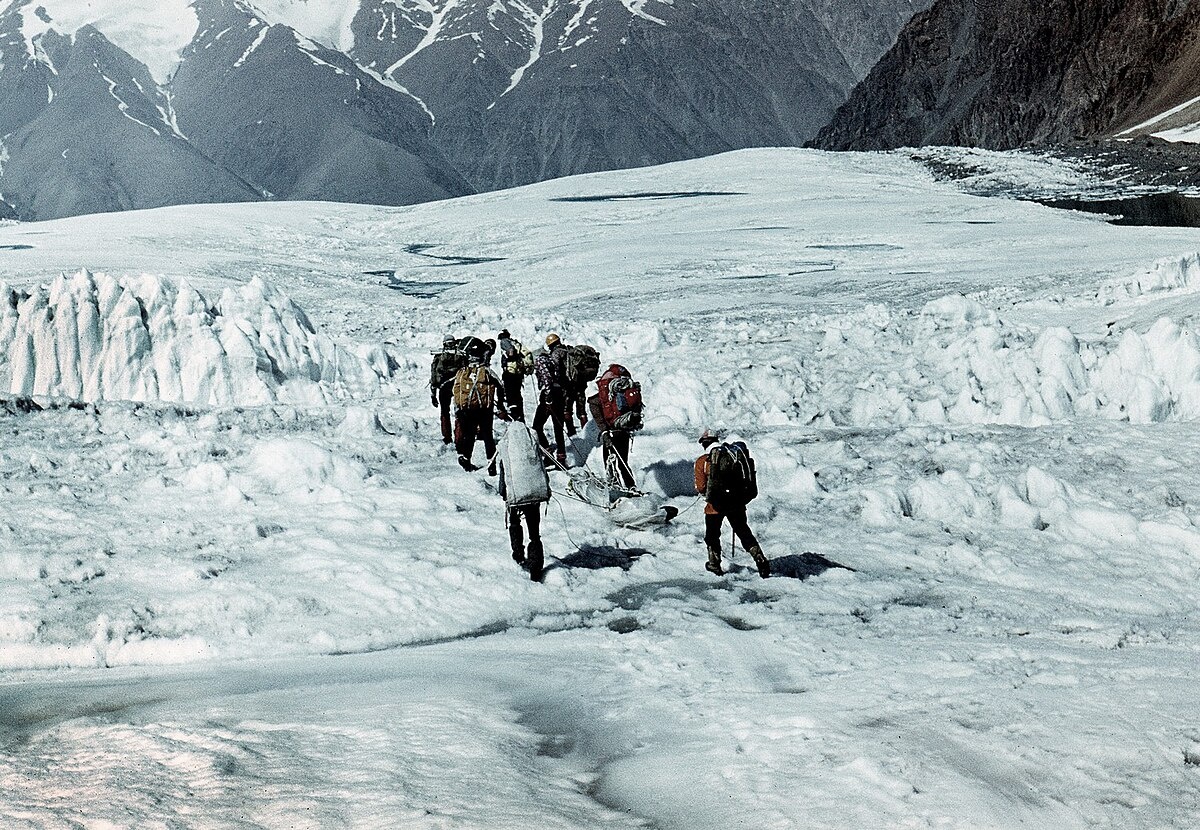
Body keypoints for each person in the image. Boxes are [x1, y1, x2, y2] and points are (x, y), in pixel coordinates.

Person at [694, 430, 770, 578]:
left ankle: (714, 564)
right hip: (736, 503)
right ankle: (759, 558)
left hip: (714, 506)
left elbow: (701, 487)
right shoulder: (733, 455)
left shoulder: (703, 461)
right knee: (743, 532)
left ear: (704, 443)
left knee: (712, 535)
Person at [496, 422, 552, 581]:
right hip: (533, 496)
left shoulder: (507, 451)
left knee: (514, 522)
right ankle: (536, 566)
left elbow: (503, 481)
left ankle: (518, 554)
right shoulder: (532, 448)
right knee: (534, 533)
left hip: (516, 496)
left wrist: (505, 495)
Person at [452, 349, 509, 472]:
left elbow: (456, 389)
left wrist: (458, 408)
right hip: (485, 409)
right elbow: (500, 385)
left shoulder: (463, 372)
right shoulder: (487, 371)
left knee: (469, 434)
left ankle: (466, 459)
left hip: (468, 409)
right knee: (488, 436)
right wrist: (500, 404)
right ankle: (491, 465)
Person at [588, 363, 644, 489]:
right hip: (624, 428)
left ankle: (614, 486)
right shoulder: (620, 386)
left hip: (611, 431)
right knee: (623, 461)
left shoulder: (600, 395)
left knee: (609, 461)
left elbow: (597, 413)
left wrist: (604, 431)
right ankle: (631, 486)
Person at [532, 333, 569, 467]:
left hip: (549, 395)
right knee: (558, 427)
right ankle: (561, 458)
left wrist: (548, 395)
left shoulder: (540, 360)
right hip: (560, 394)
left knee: (537, 426)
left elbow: (547, 378)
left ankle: (548, 455)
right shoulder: (553, 358)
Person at [430, 334, 465, 445]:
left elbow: (434, 376)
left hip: (443, 387)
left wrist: (433, 394)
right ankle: (459, 437)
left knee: (444, 412)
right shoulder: (461, 355)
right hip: (458, 387)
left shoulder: (438, 356)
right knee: (459, 412)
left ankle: (447, 437)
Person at [497, 329, 533, 422]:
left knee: (510, 395)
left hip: (510, 372)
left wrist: (510, 358)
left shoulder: (504, 341)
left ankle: (514, 415)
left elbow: (511, 351)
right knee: (517, 395)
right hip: (518, 374)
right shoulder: (515, 342)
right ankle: (520, 415)